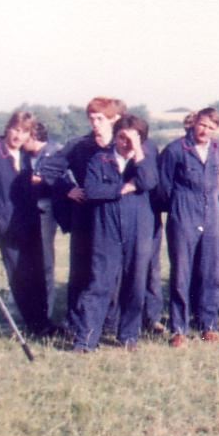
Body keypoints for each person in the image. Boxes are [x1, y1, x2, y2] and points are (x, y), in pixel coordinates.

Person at [70, 115, 159, 352]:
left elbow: (149, 181)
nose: (126, 143)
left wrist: (138, 151)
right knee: (100, 282)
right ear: (115, 137)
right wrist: (123, 188)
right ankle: (86, 339)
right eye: (122, 137)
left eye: (134, 138)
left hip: (139, 226)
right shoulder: (100, 159)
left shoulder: (145, 160)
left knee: (136, 283)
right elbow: (92, 190)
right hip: (106, 226)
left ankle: (129, 336)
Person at [39, 97, 125, 331]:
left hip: (114, 216)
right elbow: (47, 169)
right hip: (85, 216)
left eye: (100, 118)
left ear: (114, 119)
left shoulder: (121, 144)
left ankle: (110, 322)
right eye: (92, 118)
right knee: (81, 271)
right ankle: (76, 322)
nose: (95, 123)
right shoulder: (79, 145)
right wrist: (68, 189)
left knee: (113, 271)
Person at [0, 110, 53, 337]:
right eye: (16, 129)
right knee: (20, 273)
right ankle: (34, 325)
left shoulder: (26, 155)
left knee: (37, 272)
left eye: (24, 131)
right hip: (9, 225)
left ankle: (43, 321)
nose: (19, 136)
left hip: (31, 221)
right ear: (7, 128)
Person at [159, 107, 219, 345]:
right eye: (202, 125)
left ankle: (208, 326)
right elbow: (164, 187)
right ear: (194, 123)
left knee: (211, 272)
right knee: (181, 272)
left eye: (211, 127)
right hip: (183, 213)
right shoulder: (175, 150)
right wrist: (181, 206)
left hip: (212, 214)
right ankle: (179, 329)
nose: (205, 130)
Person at [21, 121, 62, 335]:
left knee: (45, 263)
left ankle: (45, 316)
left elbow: (64, 181)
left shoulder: (54, 153)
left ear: (34, 137)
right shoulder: (25, 155)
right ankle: (31, 313)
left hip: (45, 212)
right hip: (28, 212)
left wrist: (43, 182)